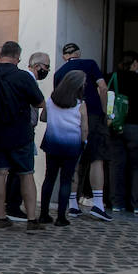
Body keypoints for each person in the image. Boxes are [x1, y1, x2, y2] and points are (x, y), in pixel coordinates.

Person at [0, 41, 45, 232]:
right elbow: (40, 102)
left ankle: (1, 216)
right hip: (21, 133)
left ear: (0, 55)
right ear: (17, 57)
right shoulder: (23, 77)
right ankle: (32, 219)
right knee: (26, 174)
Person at [54, 42, 111, 221]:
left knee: (75, 161)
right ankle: (98, 204)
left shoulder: (59, 73)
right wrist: (104, 111)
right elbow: (102, 87)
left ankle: (73, 205)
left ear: (64, 56)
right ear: (79, 53)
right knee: (96, 159)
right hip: (93, 115)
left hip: (71, 117)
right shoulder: (90, 64)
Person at [4, 51, 51, 222]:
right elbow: (36, 103)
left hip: (18, 128)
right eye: (46, 66)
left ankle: (11, 203)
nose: (47, 69)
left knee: (15, 170)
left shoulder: (24, 79)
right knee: (21, 170)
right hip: (23, 129)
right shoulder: (28, 80)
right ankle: (13, 205)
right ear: (37, 65)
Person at [39, 70, 89, 226]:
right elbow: (85, 128)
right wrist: (83, 142)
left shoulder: (51, 100)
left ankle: (43, 214)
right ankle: (61, 217)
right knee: (66, 180)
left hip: (53, 142)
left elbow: (44, 118)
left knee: (49, 178)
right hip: (72, 144)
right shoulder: (80, 104)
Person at [108, 51, 138, 214]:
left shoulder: (111, 77)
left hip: (116, 125)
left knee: (116, 165)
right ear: (135, 63)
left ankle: (116, 203)